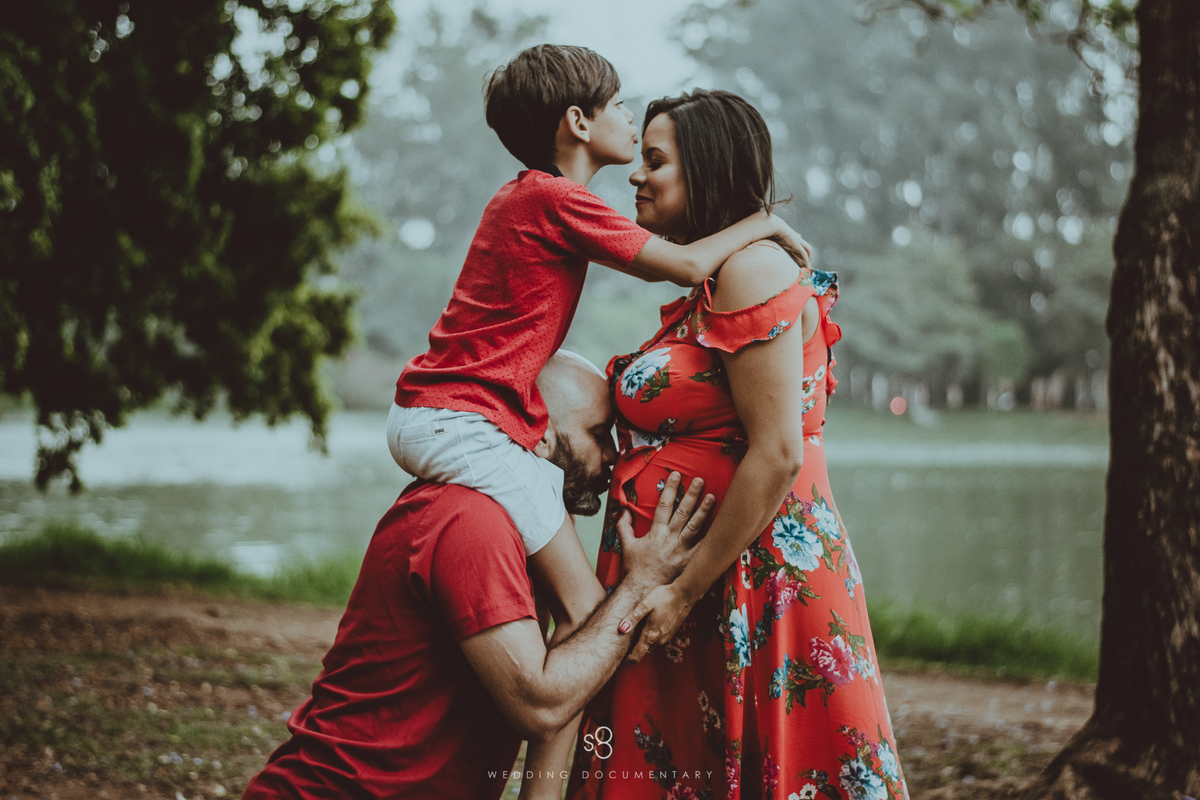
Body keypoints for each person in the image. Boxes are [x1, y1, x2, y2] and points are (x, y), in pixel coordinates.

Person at [388, 44, 807, 661]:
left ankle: (540, 745)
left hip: (441, 415)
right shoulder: (554, 198)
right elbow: (688, 265)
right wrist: (766, 224)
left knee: (564, 604)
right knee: (586, 613)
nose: (628, 116)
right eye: (617, 104)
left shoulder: (530, 198)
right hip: (460, 421)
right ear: (579, 123)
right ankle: (549, 749)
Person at [563, 91, 911, 800]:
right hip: (698, 580)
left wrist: (682, 593)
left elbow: (779, 451)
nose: (635, 174)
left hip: (748, 579)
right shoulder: (712, 282)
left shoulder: (752, 271)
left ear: (710, 171)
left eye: (655, 161)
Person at [242, 351, 716, 800]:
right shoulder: (471, 521)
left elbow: (570, 658)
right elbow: (542, 705)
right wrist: (640, 582)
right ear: (542, 433)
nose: (613, 457)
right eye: (599, 433)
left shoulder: (539, 534)